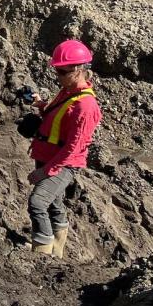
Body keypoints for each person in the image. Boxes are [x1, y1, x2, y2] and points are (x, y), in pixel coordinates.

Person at [26, 39, 103, 258]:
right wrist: (42, 105)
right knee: (53, 204)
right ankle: (56, 252)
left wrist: (46, 171)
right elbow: (58, 121)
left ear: (79, 69)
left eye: (62, 71)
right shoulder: (67, 91)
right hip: (47, 156)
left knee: (37, 203)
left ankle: (42, 253)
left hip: (62, 164)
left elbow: (74, 147)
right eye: (57, 71)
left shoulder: (86, 106)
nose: (58, 76)